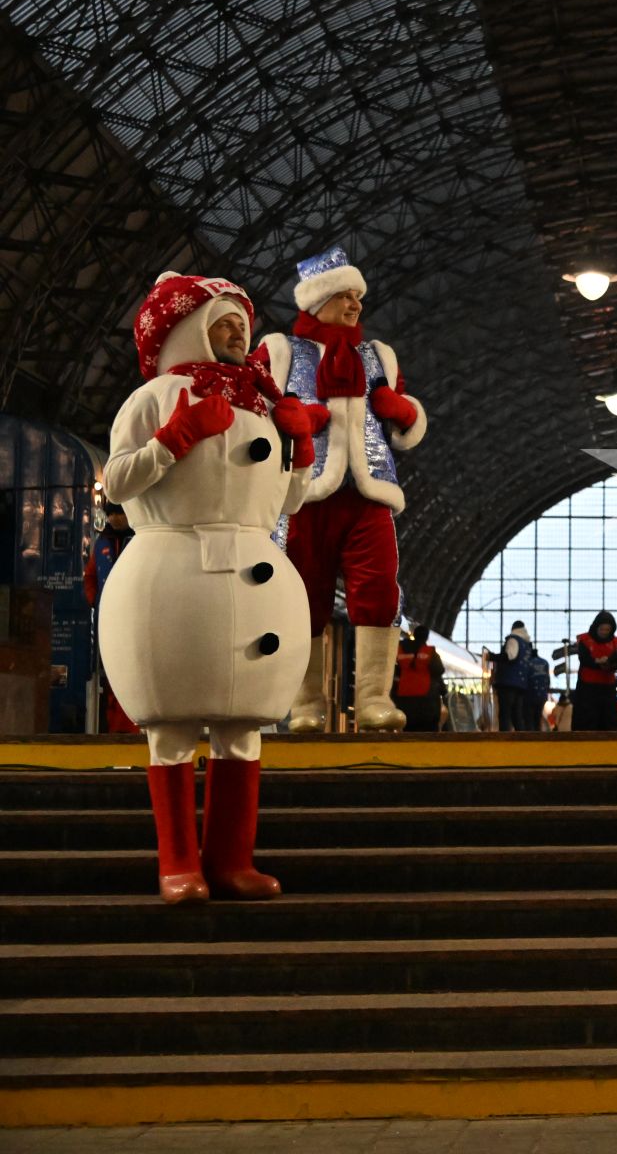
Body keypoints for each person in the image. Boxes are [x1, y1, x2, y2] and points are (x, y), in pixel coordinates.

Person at [100, 270, 318, 903]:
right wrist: (174, 440)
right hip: (172, 570)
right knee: (170, 727)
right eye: (220, 323)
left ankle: (230, 859)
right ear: (186, 330)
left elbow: (286, 503)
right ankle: (177, 862)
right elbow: (116, 482)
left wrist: (300, 452)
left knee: (242, 728)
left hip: (250, 571)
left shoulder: (262, 404)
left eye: (240, 325)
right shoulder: (155, 397)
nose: (234, 334)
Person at [258, 246, 427, 733]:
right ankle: (305, 703)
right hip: (306, 494)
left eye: (359, 297)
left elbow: (403, 427)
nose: (356, 305)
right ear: (318, 300)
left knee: (378, 590)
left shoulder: (379, 357)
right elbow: (252, 411)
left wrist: (403, 411)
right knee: (302, 595)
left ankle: (374, 697)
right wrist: (294, 420)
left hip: (369, 494)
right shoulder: (281, 351)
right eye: (346, 295)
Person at [84, 501, 139, 734]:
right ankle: (113, 727)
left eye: (120, 513)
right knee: (109, 675)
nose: (115, 518)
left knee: (133, 671)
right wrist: (94, 600)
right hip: (108, 620)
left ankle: (132, 727)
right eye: (111, 514)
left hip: (134, 617)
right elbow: (90, 577)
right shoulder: (102, 543)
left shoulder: (140, 541)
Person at [553, 611, 617, 731]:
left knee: (608, 719)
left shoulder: (615, 642)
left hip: (607, 688)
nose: (604, 632)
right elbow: (584, 659)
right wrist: (600, 663)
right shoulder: (585, 640)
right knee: (587, 718)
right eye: (602, 629)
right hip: (587, 687)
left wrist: (609, 664)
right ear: (596, 628)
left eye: (607, 630)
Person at [392, 623, 445, 732]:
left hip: (404, 700)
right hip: (427, 702)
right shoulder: (430, 653)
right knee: (429, 733)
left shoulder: (400, 650)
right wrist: (443, 690)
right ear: (426, 637)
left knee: (408, 732)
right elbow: (439, 670)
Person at [492, 621, 538, 732]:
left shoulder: (513, 639)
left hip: (508, 682)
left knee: (505, 713)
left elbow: (510, 656)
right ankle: (521, 740)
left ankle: (504, 740)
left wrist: (492, 657)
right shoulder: (526, 645)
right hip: (520, 684)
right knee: (517, 715)